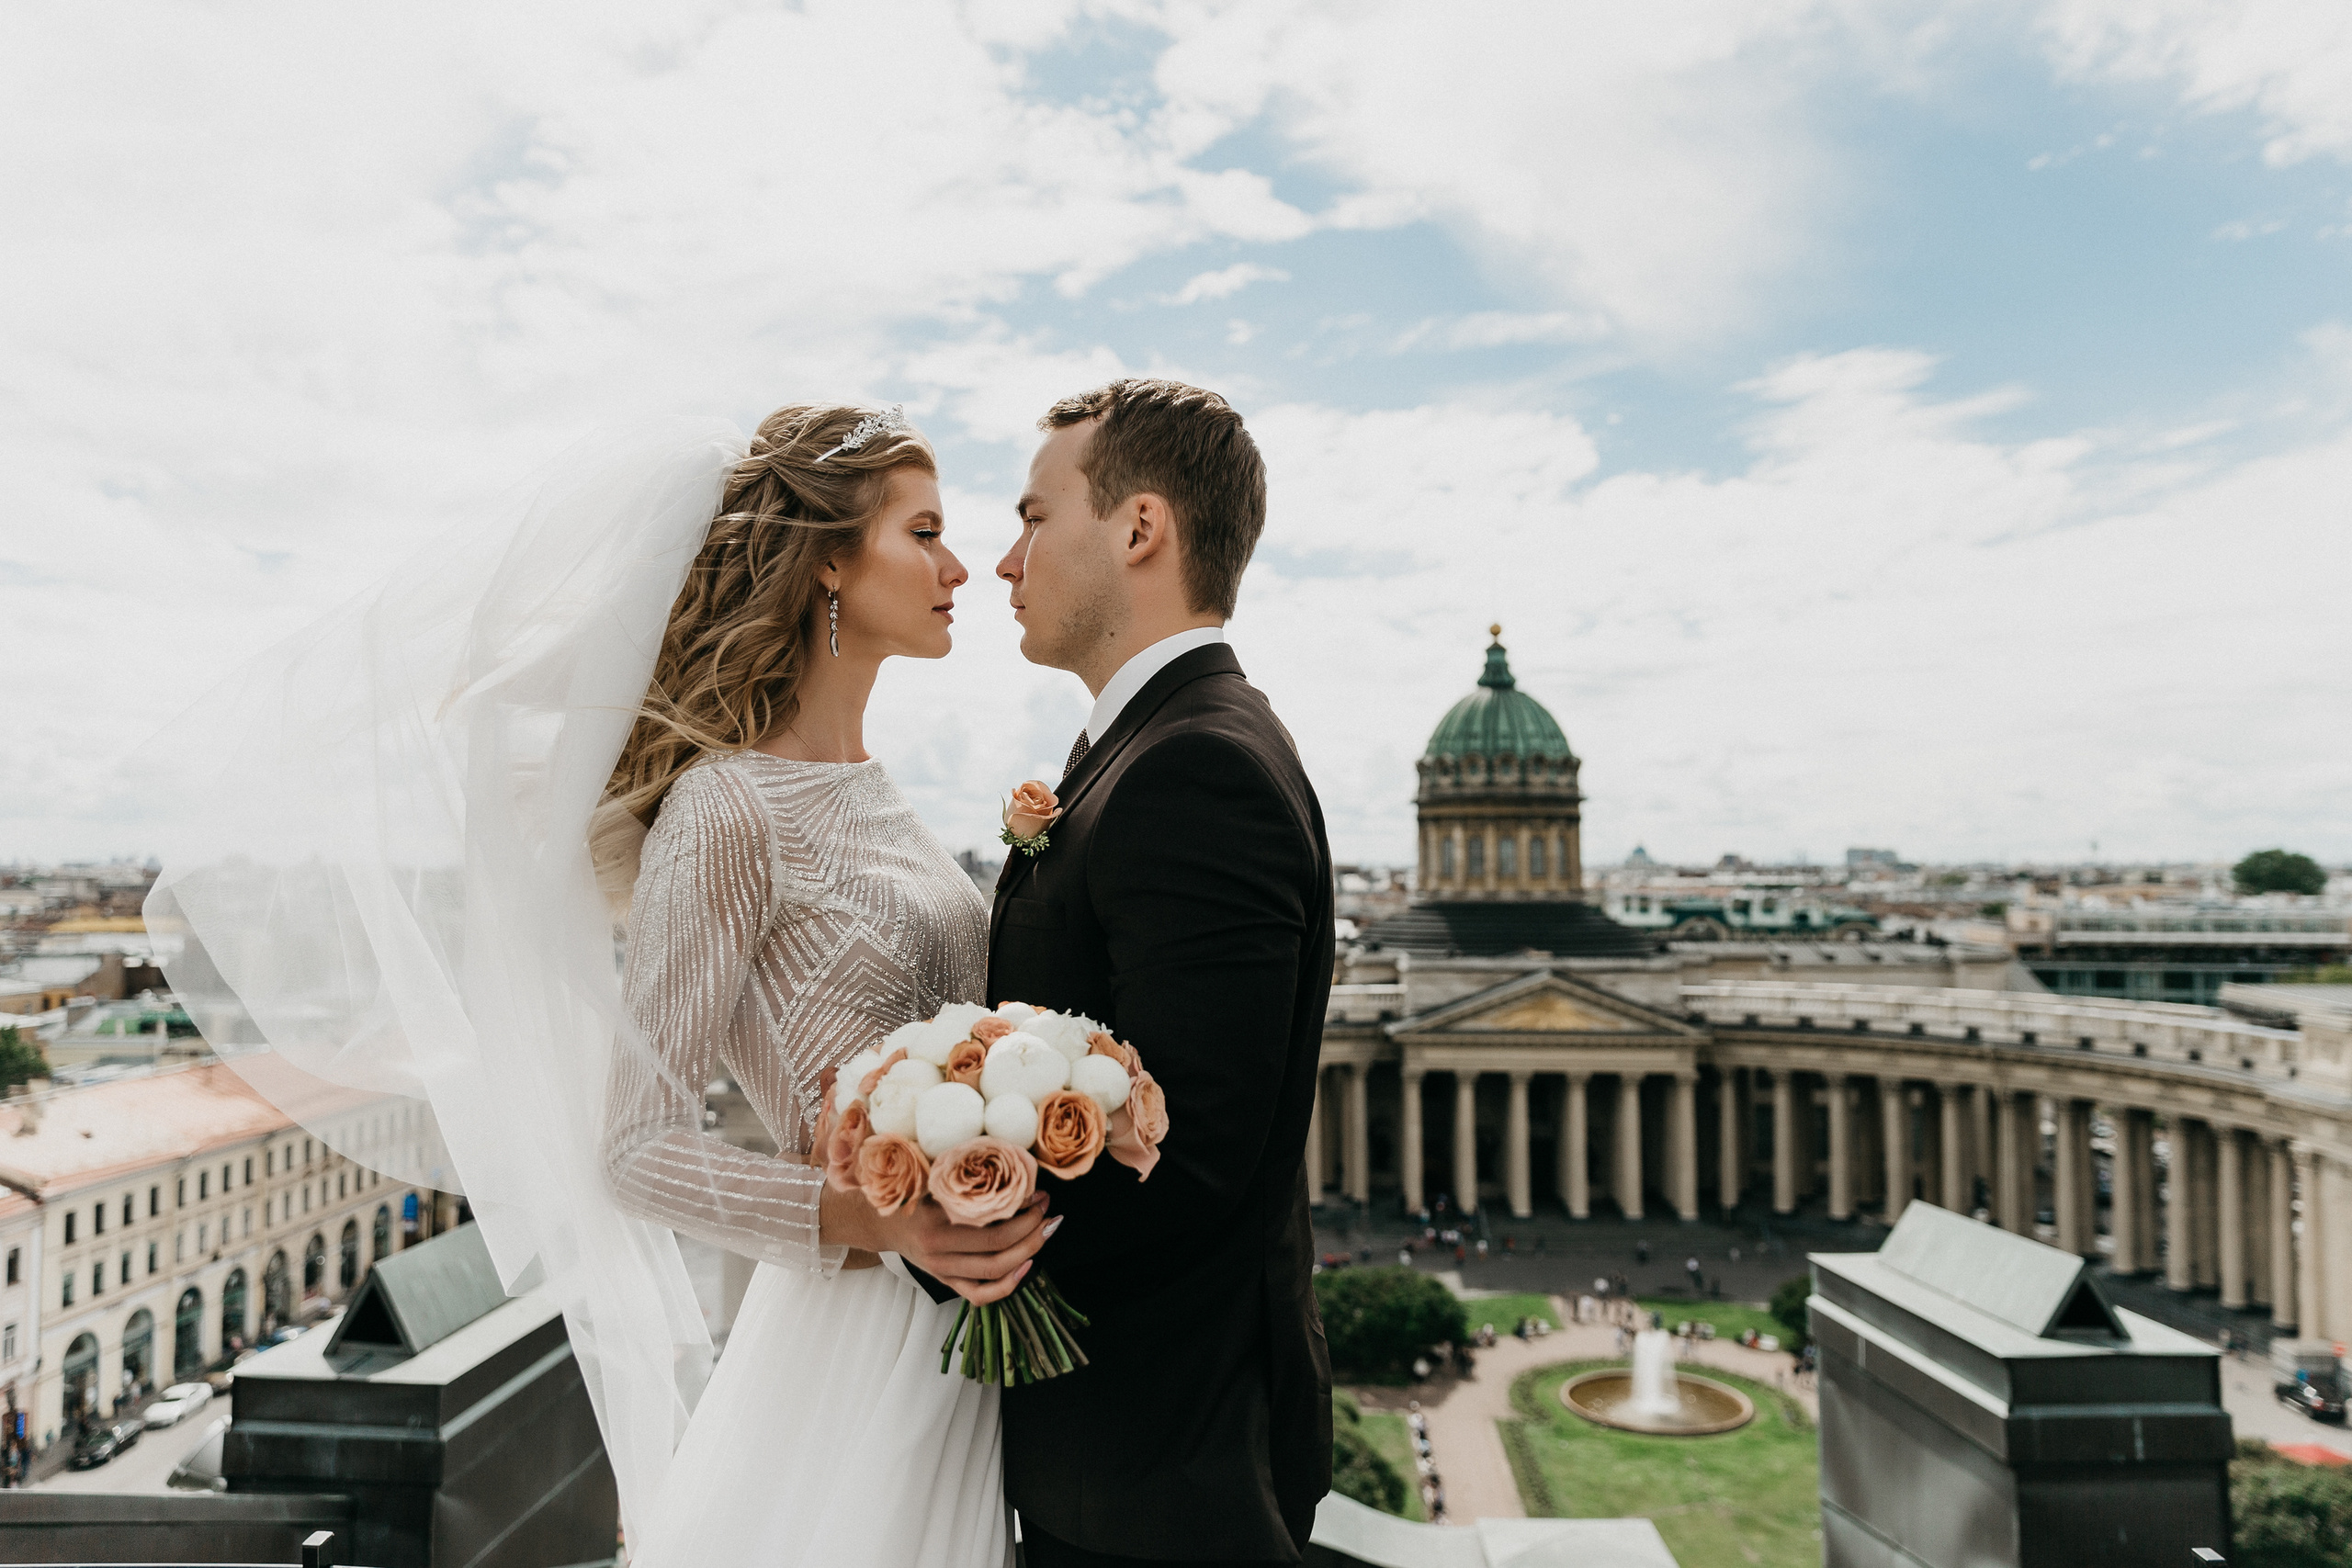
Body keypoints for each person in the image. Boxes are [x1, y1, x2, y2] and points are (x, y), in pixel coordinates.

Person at [153, 406, 1039, 1568]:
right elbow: (634, 1148)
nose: (959, 565)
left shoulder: (880, 791)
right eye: (923, 531)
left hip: (971, 1322)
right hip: (860, 1335)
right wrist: (865, 1217)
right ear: (827, 558)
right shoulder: (726, 810)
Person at [987, 380, 1334, 1565]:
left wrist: (951, 1230)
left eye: (1035, 517)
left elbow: (1187, 1161)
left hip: (1159, 1475)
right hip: (1140, 1458)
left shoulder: (1196, 769)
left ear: (1139, 529)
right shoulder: (1157, 748)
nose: (1001, 560)